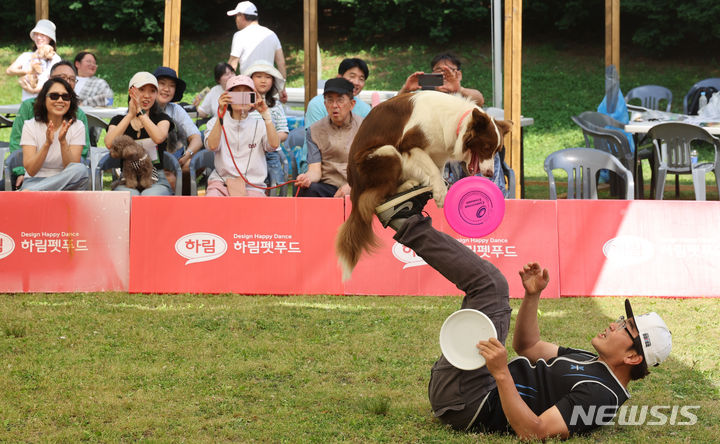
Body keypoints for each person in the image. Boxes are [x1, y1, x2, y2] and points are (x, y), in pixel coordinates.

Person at [372, 187, 672, 440]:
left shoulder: (602, 397)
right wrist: (533, 296)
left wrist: (501, 373)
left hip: (471, 401)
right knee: (491, 286)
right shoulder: (592, 361)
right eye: (622, 320)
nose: (613, 324)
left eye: (625, 327)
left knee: (490, 286)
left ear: (633, 357)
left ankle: (405, 221)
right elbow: (528, 347)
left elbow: (535, 431)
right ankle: (405, 219)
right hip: (474, 386)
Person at [399, 52, 507, 196]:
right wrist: (406, 90)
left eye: (450, 71)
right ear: (431, 76)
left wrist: (458, 89)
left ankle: (488, 195)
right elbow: (397, 115)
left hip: (462, 168)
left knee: (487, 146)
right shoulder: (425, 100)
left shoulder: (465, 101)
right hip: (434, 167)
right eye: (439, 72)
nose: (444, 76)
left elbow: (479, 99)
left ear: (459, 75)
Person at [9, 61, 92, 190]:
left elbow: (72, 167)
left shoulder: (77, 125)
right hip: (35, 180)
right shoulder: (30, 126)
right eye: (54, 96)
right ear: (43, 99)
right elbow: (30, 170)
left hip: (67, 182)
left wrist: (63, 141)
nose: (60, 100)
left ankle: (32, 192)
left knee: (80, 170)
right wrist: (47, 143)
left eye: (65, 97)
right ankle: (36, 191)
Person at [204, 75, 279, 197]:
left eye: (247, 94)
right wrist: (220, 115)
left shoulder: (260, 124)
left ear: (253, 99)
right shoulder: (215, 122)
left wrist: (266, 115)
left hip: (253, 185)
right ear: (227, 97)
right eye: (237, 94)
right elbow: (212, 146)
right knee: (212, 202)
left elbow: (274, 145)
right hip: (222, 184)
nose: (242, 98)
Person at [104, 72, 174, 196]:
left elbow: (158, 138)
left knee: (149, 196)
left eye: (152, 91)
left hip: (155, 176)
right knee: (129, 195)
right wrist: (130, 115)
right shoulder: (118, 120)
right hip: (127, 178)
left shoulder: (162, 118)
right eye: (142, 90)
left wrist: (140, 113)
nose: (147, 96)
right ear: (131, 92)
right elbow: (109, 144)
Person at [296, 78, 362, 198]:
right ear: (325, 104)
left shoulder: (365, 128)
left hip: (358, 185)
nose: (335, 106)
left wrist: (351, 187)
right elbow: (315, 170)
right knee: (307, 190)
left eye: (340, 100)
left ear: (352, 104)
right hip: (328, 187)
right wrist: (307, 178)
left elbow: (371, 169)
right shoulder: (314, 130)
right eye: (330, 100)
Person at [152, 66, 203, 195]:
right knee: (169, 176)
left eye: (171, 86)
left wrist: (187, 155)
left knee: (192, 165)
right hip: (149, 161)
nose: (166, 89)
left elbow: (196, 137)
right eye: (162, 84)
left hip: (175, 159)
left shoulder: (175, 109)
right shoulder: (142, 108)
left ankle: (184, 203)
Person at [226, 1, 287, 102]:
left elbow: (233, 64)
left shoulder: (240, 35)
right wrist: (282, 88)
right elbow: (281, 63)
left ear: (242, 16)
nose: (236, 20)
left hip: (248, 90)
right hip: (269, 89)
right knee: (269, 115)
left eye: (236, 16)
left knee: (250, 116)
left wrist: (229, 88)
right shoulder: (271, 34)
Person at [243, 61, 289, 194]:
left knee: (272, 184)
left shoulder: (275, 105)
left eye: (268, 77)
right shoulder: (243, 105)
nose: (263, 81)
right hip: (247, 152)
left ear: (273, 82)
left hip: (270, 152)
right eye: (258, 76)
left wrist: (270, 139)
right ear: (250, 79)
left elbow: (284, 131)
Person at [304, 58, 372, 127]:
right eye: (352, 76)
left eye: (361, 79)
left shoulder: (365, 110)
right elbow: (314, 136)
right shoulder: (317, 105)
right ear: (339, 77)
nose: (356, 82)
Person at [6, 19, 62, 101]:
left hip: (45, 103)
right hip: (26, 102)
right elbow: (9, 71)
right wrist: (28, 71)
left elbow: (52, 81)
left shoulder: (55, 59)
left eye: (42, 35)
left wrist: (32, 90)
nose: (39, 38)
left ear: (50, 38)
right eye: (36, 34)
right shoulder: (26, 56)